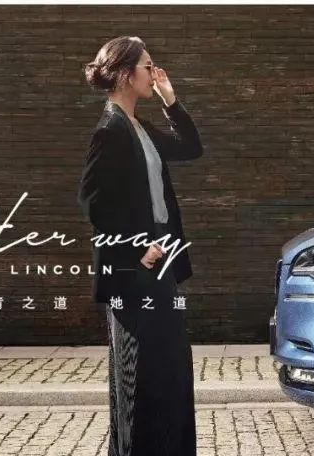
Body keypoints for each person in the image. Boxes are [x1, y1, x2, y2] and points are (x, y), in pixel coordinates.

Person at [78, 35, 204, 455]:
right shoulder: (109, 130)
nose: (154, 72)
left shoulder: (139, 127)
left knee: (171, 370)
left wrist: (171, 101)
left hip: (160, 264)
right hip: (135, 272)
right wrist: (137, 249)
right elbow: (93, 200)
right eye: (148, 66)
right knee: (140, 376)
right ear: (125, 74)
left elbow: (191, 148)